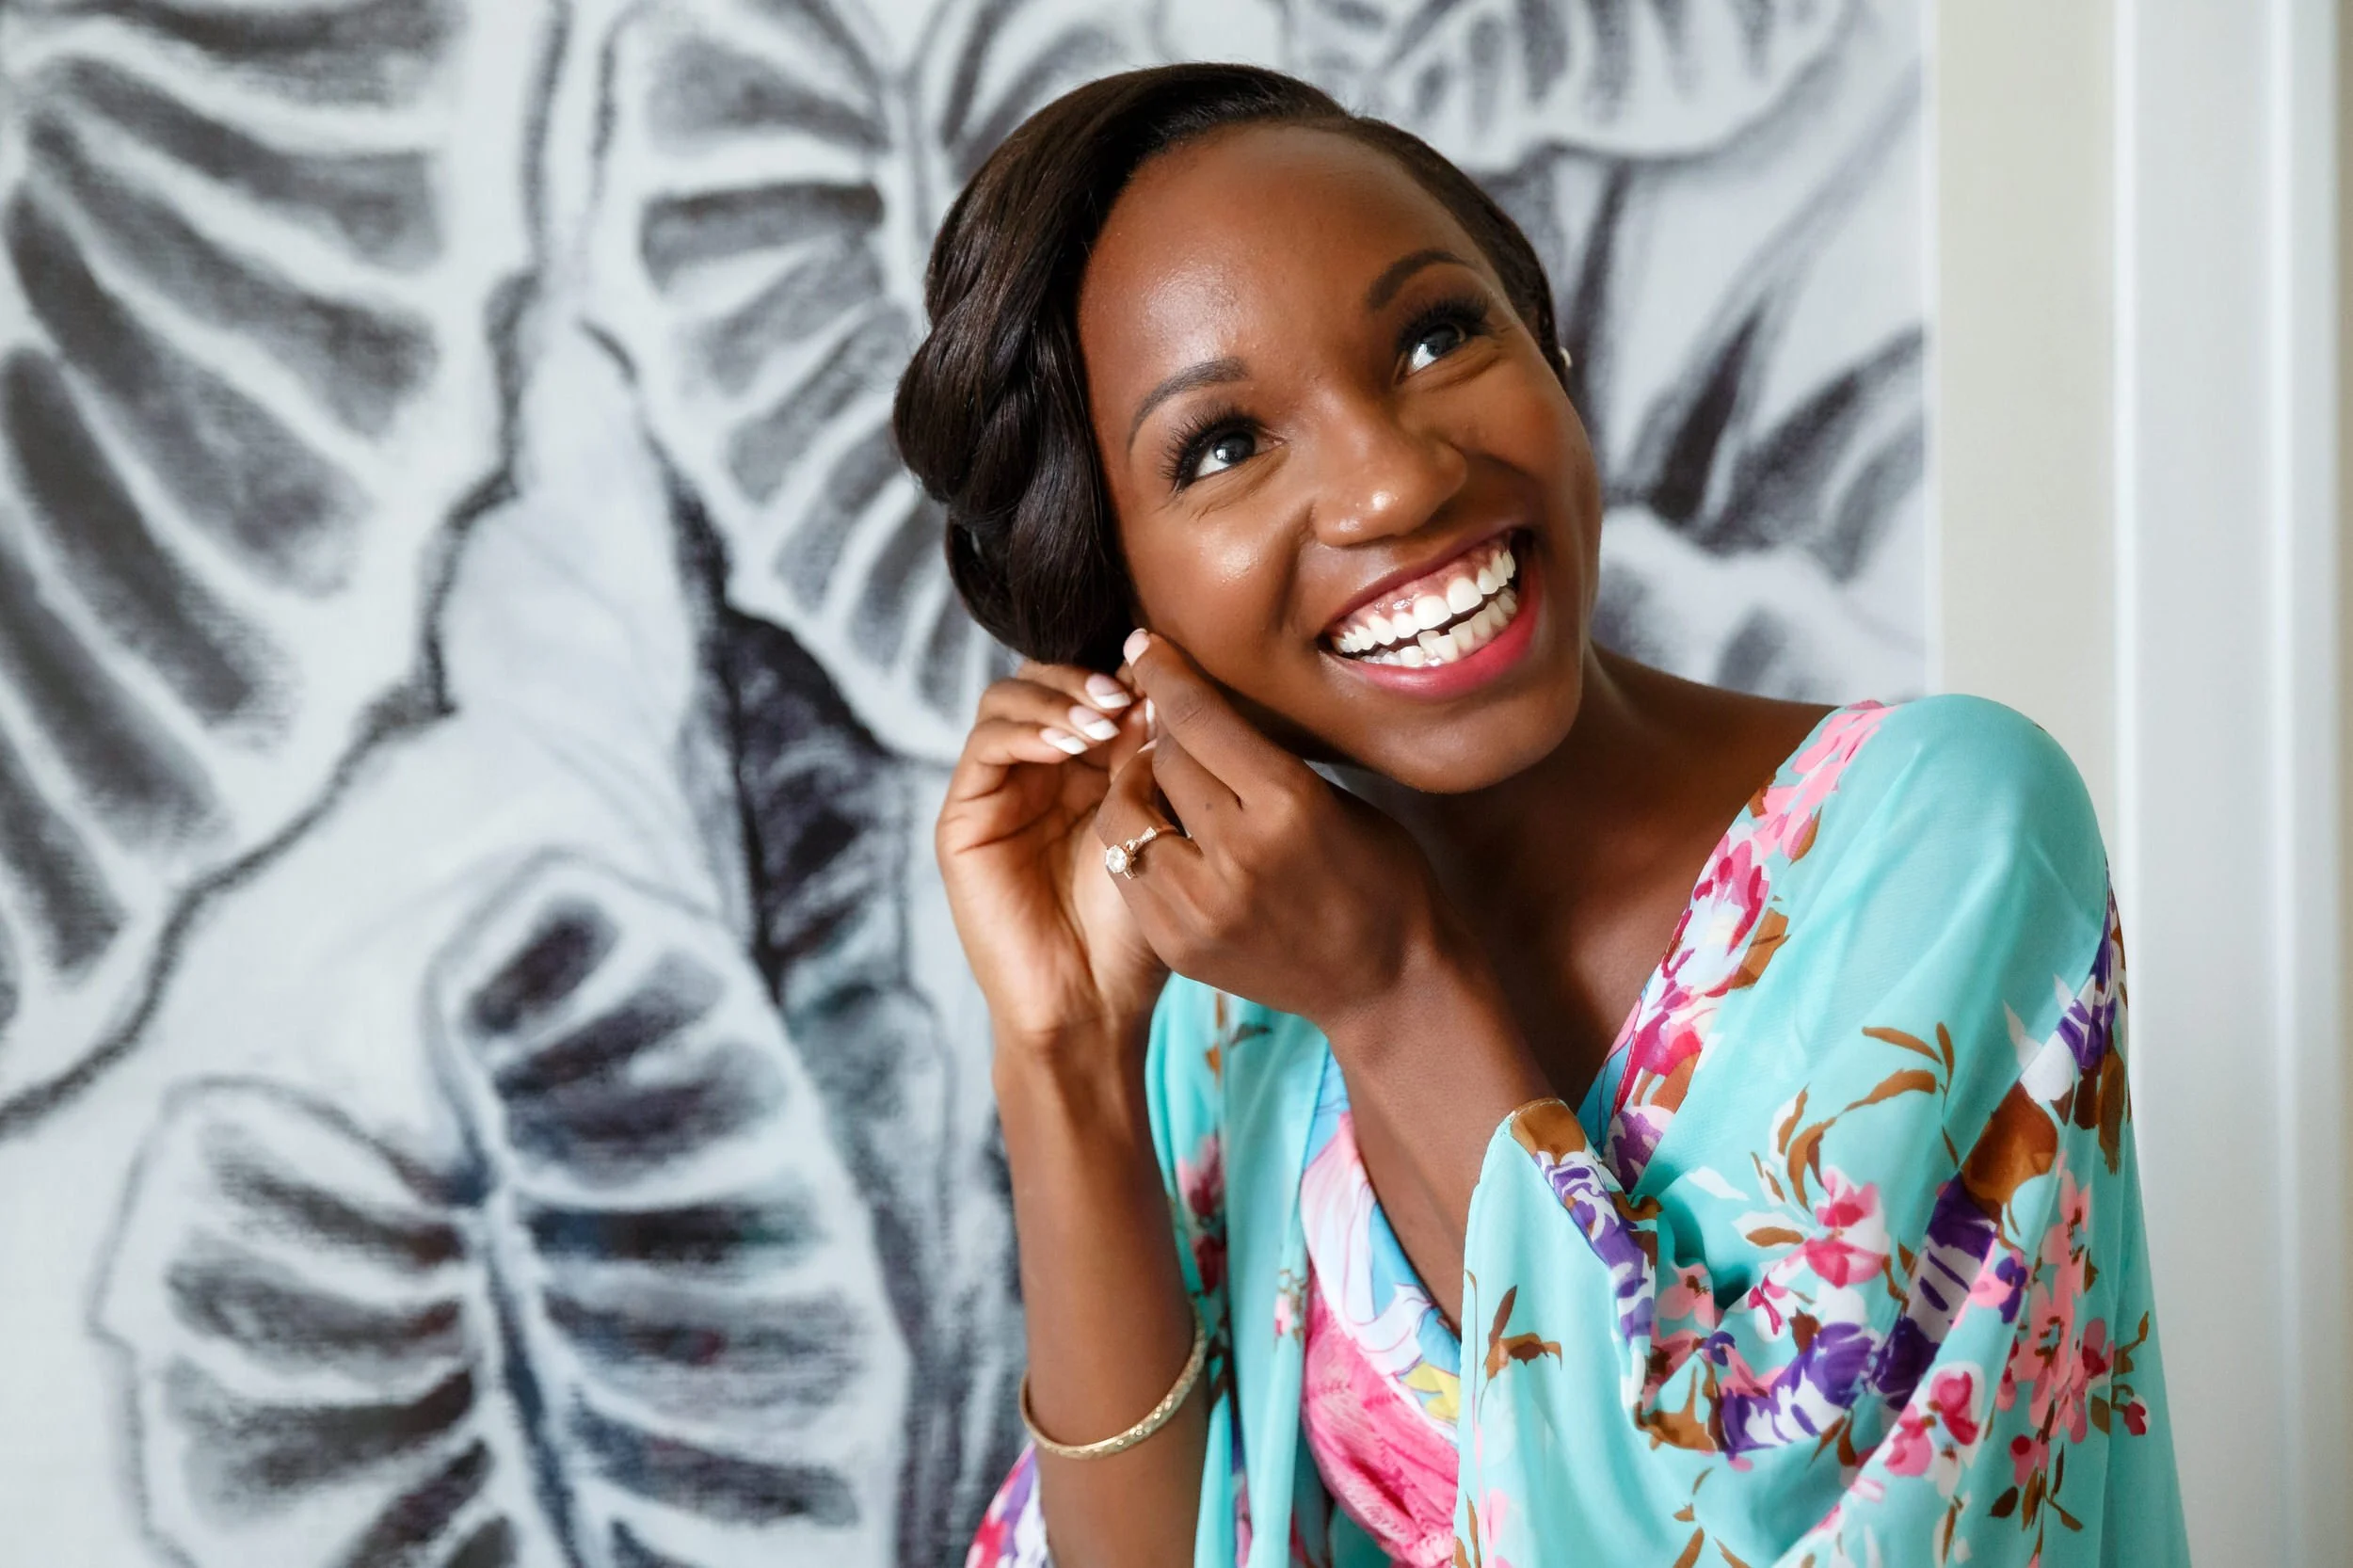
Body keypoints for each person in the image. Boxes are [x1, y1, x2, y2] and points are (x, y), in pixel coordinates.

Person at [892, 62, 2185, 1568]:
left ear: (1552, 352)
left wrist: (1393, 994)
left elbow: (1745, 1536)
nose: (1395, 479)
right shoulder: (1231, 1010)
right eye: (1226, 446)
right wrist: (1067, 1057)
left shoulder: (1945, 836)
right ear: (1122, 603)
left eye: (1439, 334)